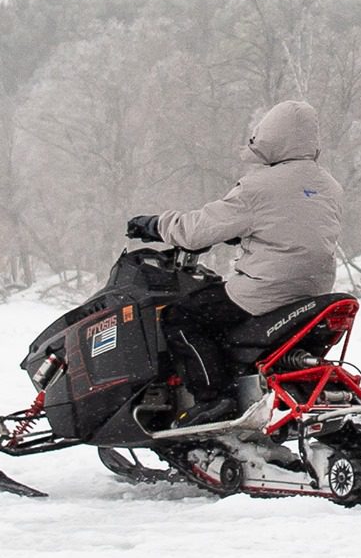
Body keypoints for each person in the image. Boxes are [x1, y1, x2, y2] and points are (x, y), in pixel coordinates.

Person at [126, 99, 344, 424]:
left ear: (272, 138)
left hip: (265, 291)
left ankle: (214, 398)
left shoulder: (259, 186)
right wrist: (242, 234)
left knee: (182, 317)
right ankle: (246, 386)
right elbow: (292, 225)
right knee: (219, 316)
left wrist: (154, 225)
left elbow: (196, 232)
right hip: (312, 292)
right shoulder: (328, 185)